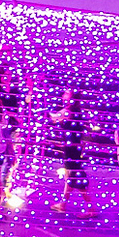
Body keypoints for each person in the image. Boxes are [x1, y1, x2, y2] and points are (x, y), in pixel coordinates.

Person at [49, 90, 96, 219]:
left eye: (66, 94)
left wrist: (45, 110)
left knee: (75, 179)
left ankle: (91, 209)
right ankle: (63, 204)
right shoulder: (77, 112)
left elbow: (54, 118)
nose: (63, 95)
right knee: (70, 178)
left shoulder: (68, 112)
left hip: (71, 149)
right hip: (74, 148)